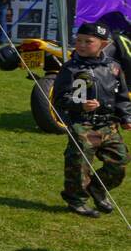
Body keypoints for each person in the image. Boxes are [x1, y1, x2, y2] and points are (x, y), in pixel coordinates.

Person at [53, 21, 131, 216]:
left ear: (103, 44)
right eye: (78, 40)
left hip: (108, 125)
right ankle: (76, 199)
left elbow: (122, 96)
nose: (81, 45)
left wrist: (126, 117)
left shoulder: (113, 67)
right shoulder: (71, 69)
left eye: (88, 41)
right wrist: (80, 105)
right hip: (83, 124)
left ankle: (97, 187)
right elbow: (60, 98)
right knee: (79, 164)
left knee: (119, 161)